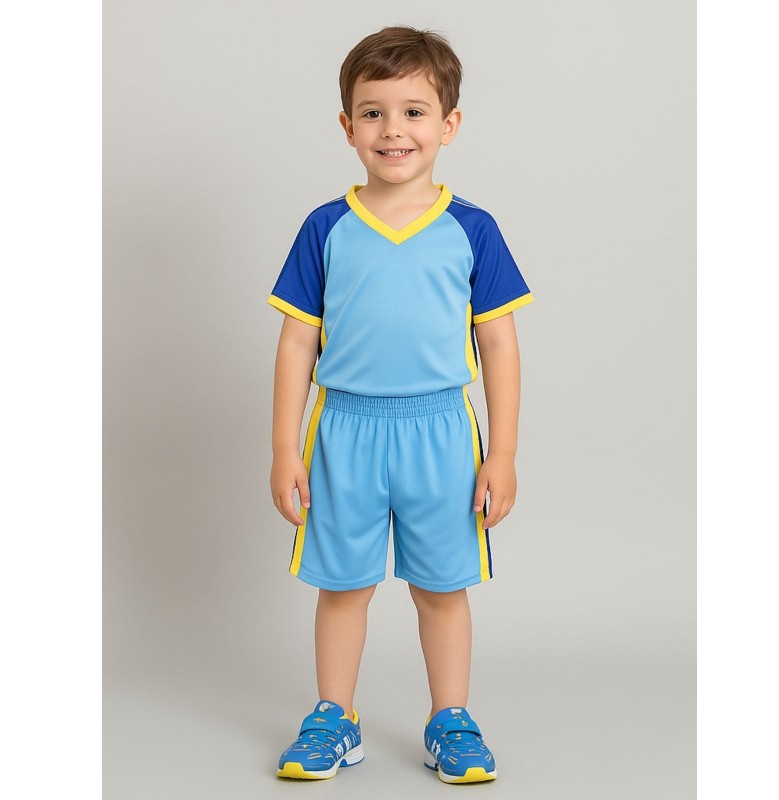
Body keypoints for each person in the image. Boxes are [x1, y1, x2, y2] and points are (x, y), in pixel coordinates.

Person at [267, 25, 533, 784]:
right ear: (347, 126)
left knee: (442, 588)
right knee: (342, 585)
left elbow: (499, 345)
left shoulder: (471, 229)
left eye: (414, 112)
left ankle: (451, 720)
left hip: (440, 432)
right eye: (373, 112)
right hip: (344, 430)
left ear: (449, 124)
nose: (393, 130)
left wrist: (503, 453)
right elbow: (296, 343)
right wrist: (284, 449)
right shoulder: (326, 228)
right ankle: (334, 717)